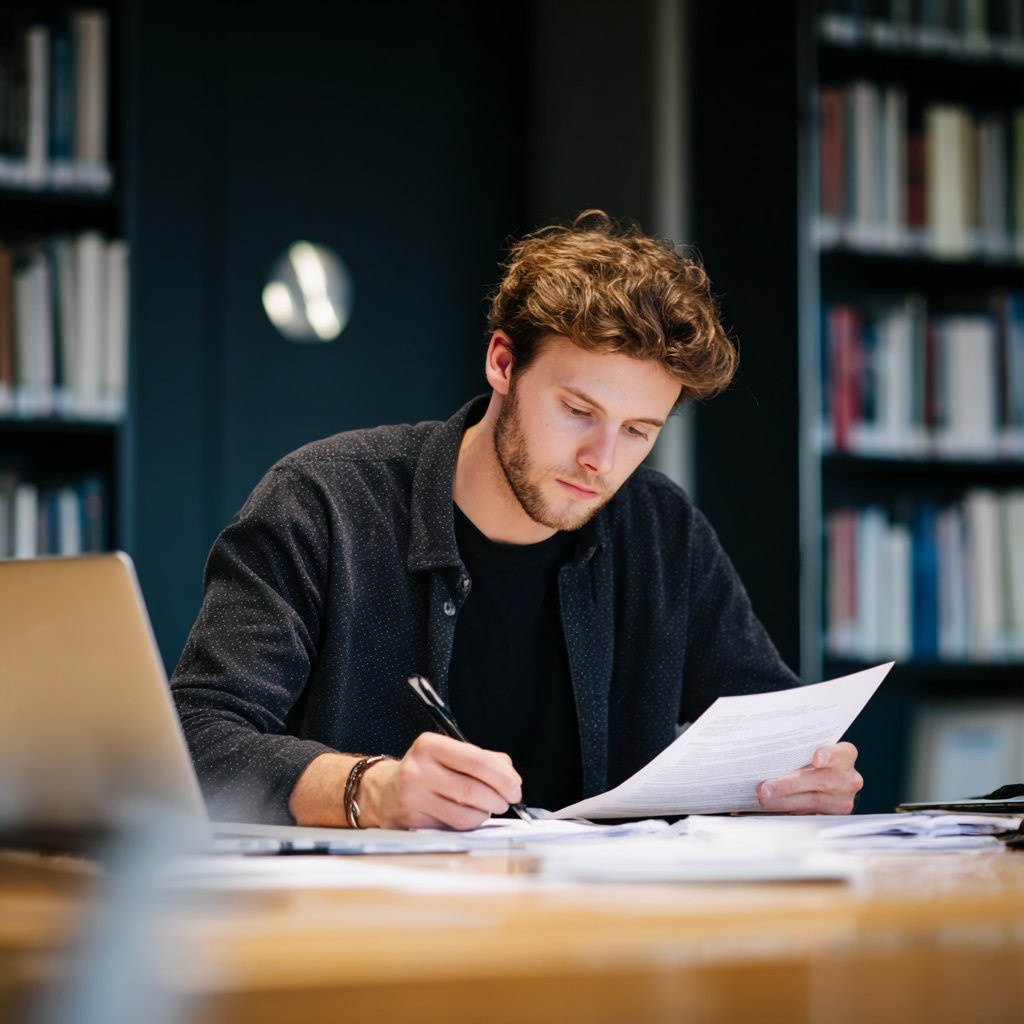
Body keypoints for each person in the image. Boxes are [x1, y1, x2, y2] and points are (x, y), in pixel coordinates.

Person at [170, 211, 862, 830]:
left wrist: (806, 778)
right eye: (578, 411)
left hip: (597, 939)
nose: (601, 461)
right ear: (503, 362)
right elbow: (194, 736)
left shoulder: (660, 528)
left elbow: (774, 727)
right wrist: (367, 789)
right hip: (371, 938)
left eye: (638, 431)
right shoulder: (322, 502)